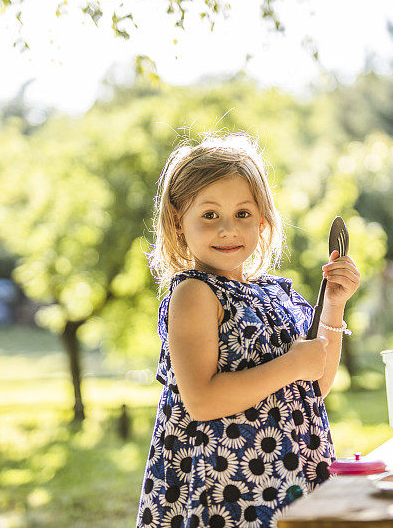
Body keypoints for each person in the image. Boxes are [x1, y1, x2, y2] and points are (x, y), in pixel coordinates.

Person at [137, 132, 361, 528]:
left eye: (242, 214)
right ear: (178, 221)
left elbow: (314, 384)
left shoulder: (274, 291)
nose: (228, 229)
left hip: (292, 475)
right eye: (209, 215)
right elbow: (202, 400)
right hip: (227, 489)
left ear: (261, 219)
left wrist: (334, 305)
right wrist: (292, 364)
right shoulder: (195, 293)